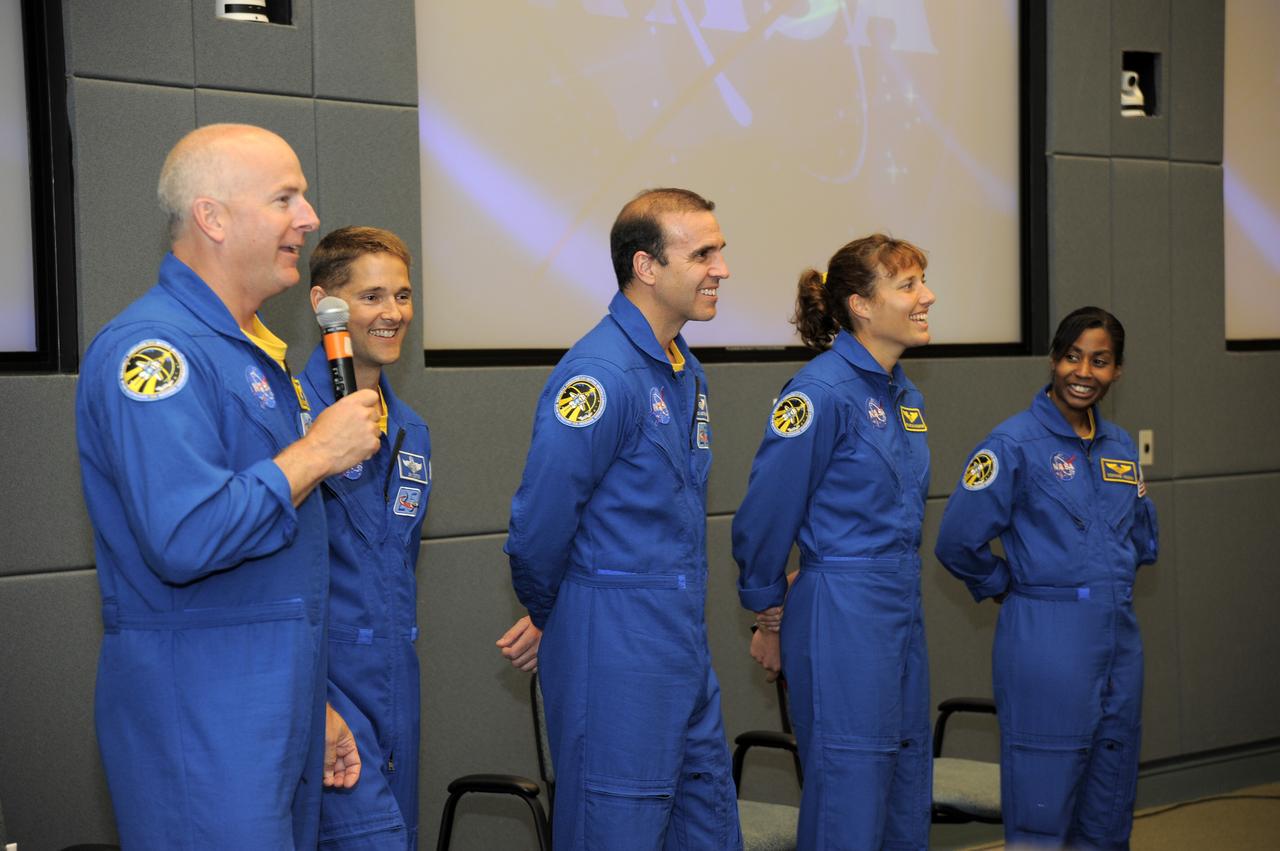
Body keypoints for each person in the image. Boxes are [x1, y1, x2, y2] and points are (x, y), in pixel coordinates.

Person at [75, 124, 382, 850]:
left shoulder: (245, 351)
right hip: (203, 716)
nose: (309, 218)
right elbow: (186, 535)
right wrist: (315, 454)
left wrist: (315, 703)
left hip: (272, 710)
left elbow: (271, 577)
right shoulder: (156, 352)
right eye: (285, 198)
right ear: (212, 217)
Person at [505, 188, 741, 849]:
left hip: (679, 639)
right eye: (703, 254)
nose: (721, 269)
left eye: (720, 251)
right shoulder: (600, 375)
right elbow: (539, 526)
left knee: (706, 824)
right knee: (615, 825)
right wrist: (557, 612)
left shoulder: (682, 370)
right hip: (615, 643)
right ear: (646, 267)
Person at [733, 234, 936, 850]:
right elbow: (766, 513)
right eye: (908, 285)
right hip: (843, 610)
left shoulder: (904, 394)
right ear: (861, 306)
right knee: (851, 791)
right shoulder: (818, 393)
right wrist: (769, 613)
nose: (927, 296)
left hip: (899, 603)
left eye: (923, 281)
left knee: (905, 783)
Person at [934, 306, 1158, 848]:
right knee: (1044, 809)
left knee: (1109, 806)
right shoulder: (1012, 445)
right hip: (1047, 642)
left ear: (1117, 371)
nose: (1084, 372)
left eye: (1100, 361)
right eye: (1073, 357)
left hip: (1118, 643)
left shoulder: (1120, 447)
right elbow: (956, 540)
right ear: (1054, 360)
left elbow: (1140, 540)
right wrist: (1001, 584)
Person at [298, 227, 430, 849]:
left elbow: (397, 566)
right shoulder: (291, 420)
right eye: (372, 296)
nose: (393, 313)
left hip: (395, 683)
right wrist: (313, 701)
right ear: (324, 303)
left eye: (402, 296)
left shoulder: (411, 431)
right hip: (322, 689)